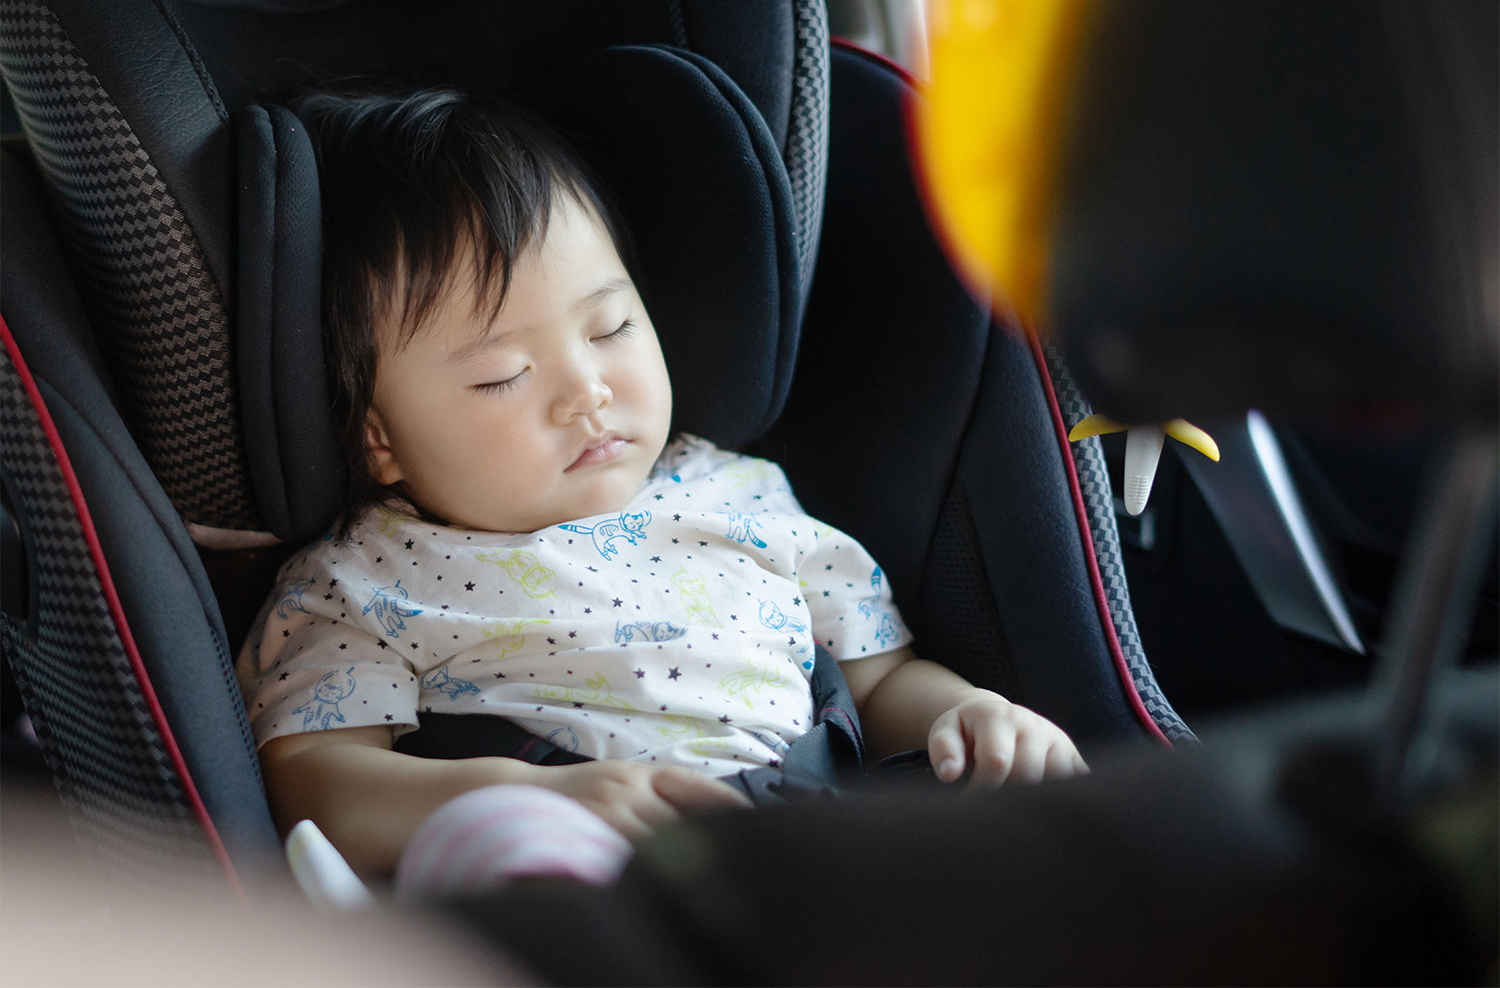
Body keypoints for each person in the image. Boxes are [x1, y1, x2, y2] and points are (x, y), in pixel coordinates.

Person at [237, 87, 1087, 888]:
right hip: (572, 869)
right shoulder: (361, 580)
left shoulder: (742, 495)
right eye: (503, 375)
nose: (588, 390)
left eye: (611, 327)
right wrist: (526, 797)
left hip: (821, 844)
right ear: (378, 438)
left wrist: (969, 717)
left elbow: (880, 681)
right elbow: (314, 779)